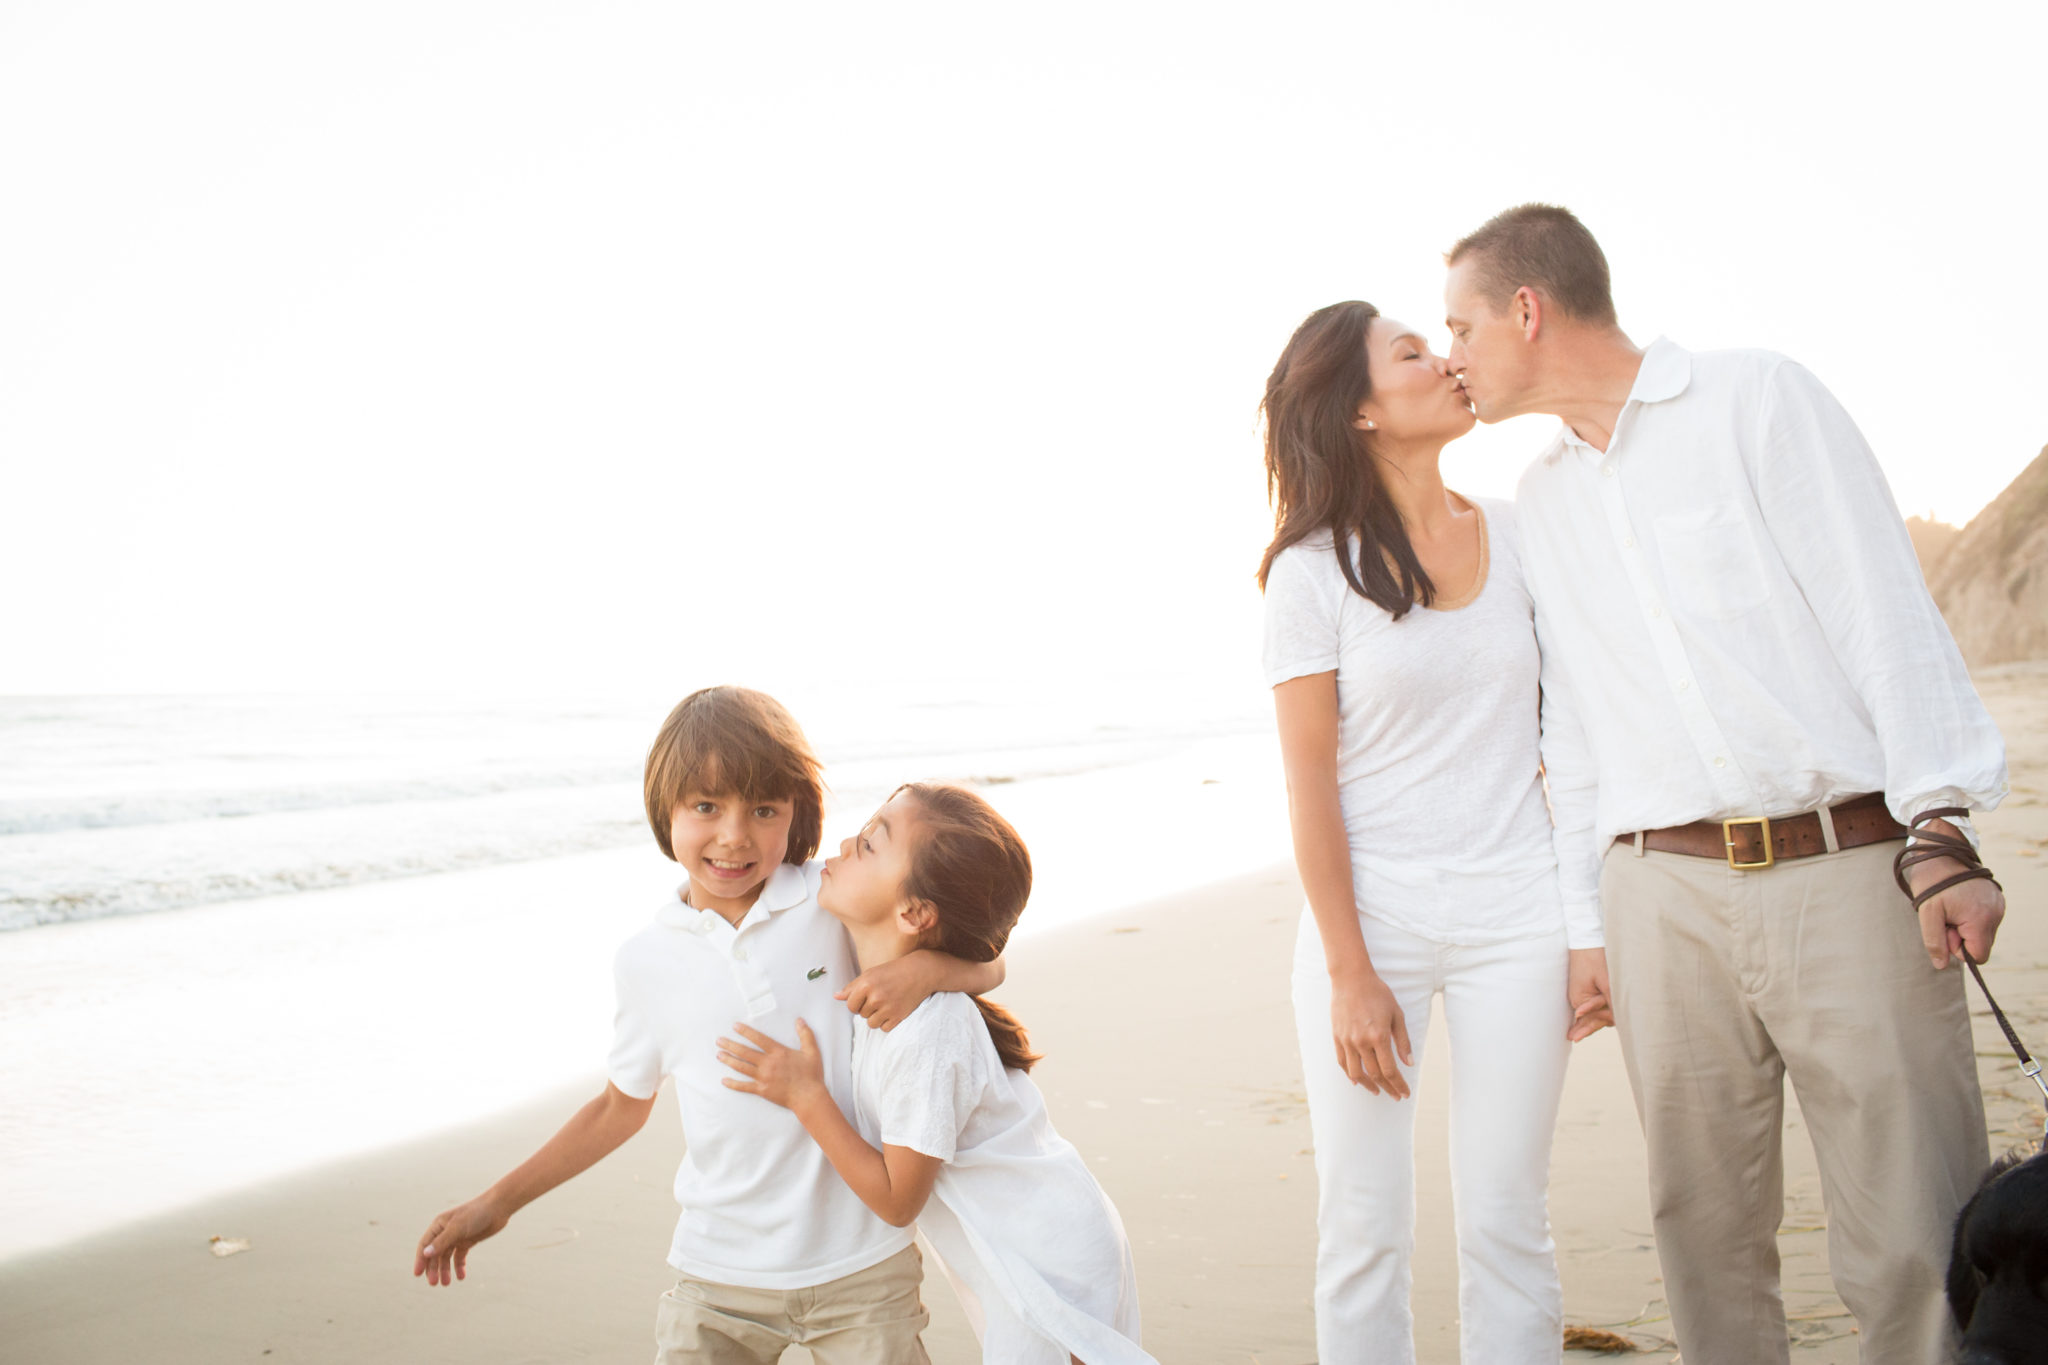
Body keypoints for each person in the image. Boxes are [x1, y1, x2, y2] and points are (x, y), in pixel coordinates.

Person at [1442, 202, 2010, 1365]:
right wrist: (1583, 924)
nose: (1449, 355)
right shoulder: (1542, 499)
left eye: (1458, 326)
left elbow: (1878, 612)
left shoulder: (1755, 398)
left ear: (1525, 309)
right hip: (1660, 898)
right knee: (1698, 1228)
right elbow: (1583, 732)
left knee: (1910, 1227)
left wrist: (1939, 825)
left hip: (1846, 868)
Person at [412, 686, 1004, 1364]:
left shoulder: (828, 898)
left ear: (795, 811)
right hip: (718, 1274)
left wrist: (925, 971)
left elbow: (988, 962)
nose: (733, 835)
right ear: (665, 809)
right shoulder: (645, 960)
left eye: (763, 809)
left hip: (860, 1264)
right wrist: (498, 1201)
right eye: (705, 806)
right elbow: (617, 1107)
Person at [1258, 300, 1609, 1364]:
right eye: (1411, 354)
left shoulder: (1519, 530)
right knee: (1362, 1226)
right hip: (1373, 921)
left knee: (1507, 1214)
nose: (1446, 361)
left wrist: (1582, 926)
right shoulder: (1310, 570)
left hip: (1519, 912)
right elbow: (1308, 781)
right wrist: (1348, 969)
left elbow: (1574, 740)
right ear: (1356, 410)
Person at [717, 783, 1153, 1365]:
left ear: (915, 912)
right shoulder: (874, 965)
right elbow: (988, 962)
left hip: (1047, 1252)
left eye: (870, 844)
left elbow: (898, 1201)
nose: (844, 842)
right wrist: (927, 965)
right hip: (1026, 1239)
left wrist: (806, 1095)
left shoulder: (928, 1031)